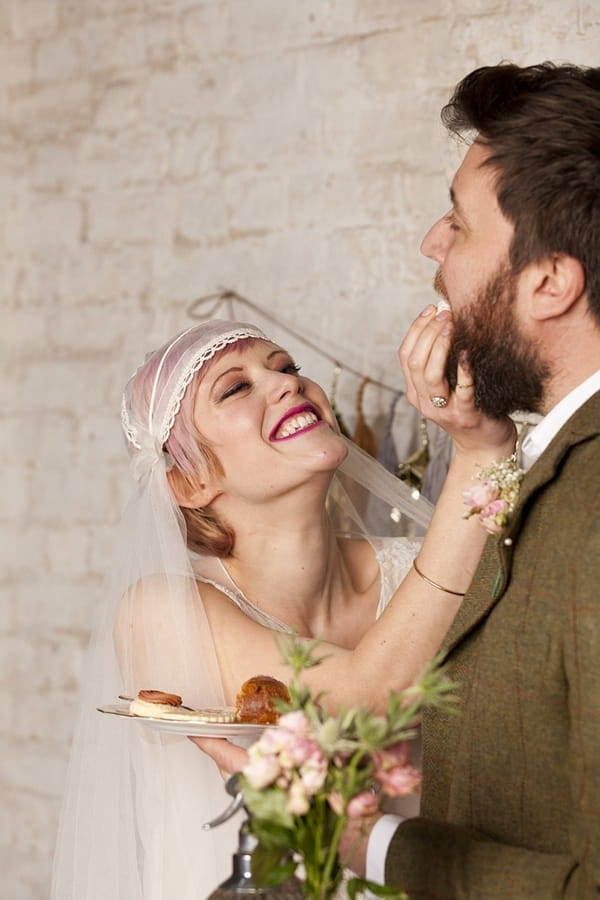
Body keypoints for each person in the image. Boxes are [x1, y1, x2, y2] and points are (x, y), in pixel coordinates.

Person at [50, 316, 515, 900]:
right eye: (235, 387)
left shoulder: (420, 566)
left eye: (287, 367)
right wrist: (479, 454)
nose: (289, 384)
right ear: (189, 483)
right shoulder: (161, 610)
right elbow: (365, 699)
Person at [343, 61, 600, 899]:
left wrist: (379, 846)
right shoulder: (558, 462)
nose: (430, 242)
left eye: (458, 222)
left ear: (550, 282)